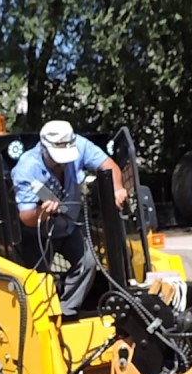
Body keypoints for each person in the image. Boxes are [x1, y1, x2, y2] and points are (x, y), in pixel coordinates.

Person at [11, 120, 128, 317]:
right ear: (44, 149)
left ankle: (67, 310)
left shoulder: (79, 145)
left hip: (69, 224)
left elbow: (108, 165)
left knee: (88, 263)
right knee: (38, 279)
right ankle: (42, 317)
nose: (63, 163)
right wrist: (44, 213)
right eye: (58, 159)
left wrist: (117, 188)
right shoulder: (26, 168)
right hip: (38, 232)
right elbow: (26, 216)